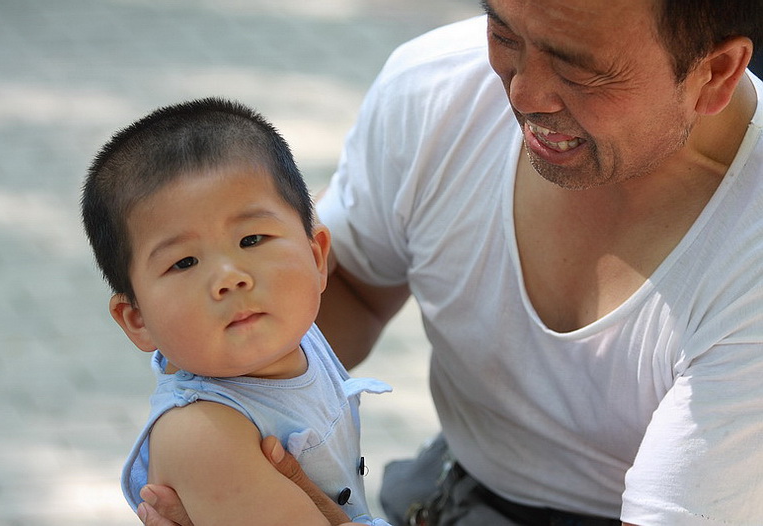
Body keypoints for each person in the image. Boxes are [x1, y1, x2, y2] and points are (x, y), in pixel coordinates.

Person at [139, 0, 763, 524]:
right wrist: (222, 441)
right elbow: (348, 285)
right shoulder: (437, 87)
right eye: (504, 33)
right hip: (449, 487)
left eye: (579, 68)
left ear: (715, 71)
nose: (524, 94)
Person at [81, 97, 392, 526]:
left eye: (252, 240)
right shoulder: (204, 434)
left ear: (317, 257)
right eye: (184, 262)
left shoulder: (296, 337)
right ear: (138, 320)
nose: (229, 277)